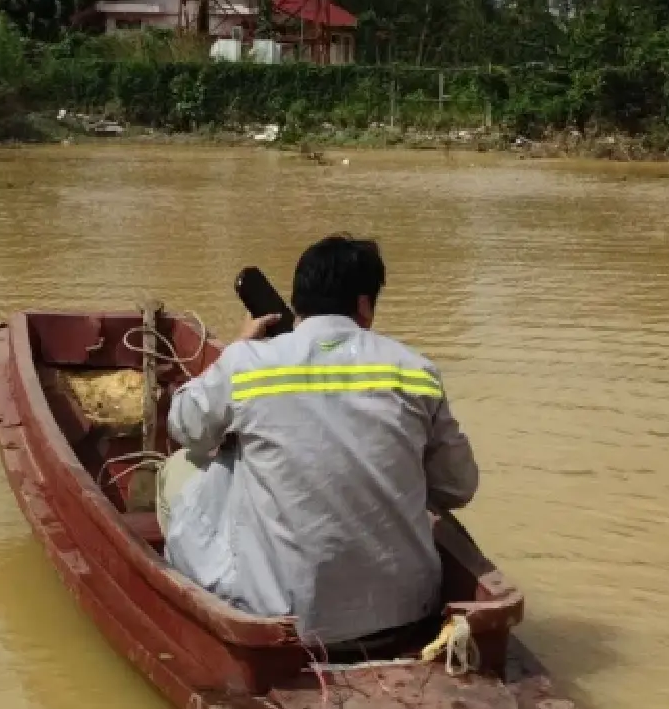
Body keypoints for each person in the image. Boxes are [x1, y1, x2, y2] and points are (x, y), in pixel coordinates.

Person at [158, 234, 479, 647]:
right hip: (409, 612)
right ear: (364, 305)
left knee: (179, 469)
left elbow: (184, 428)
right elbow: (457, 487)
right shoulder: (416, 371)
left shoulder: (249, 364)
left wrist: (238, 348)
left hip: (286, 615)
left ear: (298, 300)